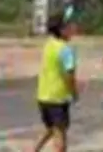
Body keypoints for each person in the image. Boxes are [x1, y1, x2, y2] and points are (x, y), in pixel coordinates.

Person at [33, 10, 80, 152]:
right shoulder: (66, 50)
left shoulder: (49, 44)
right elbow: (69, 76)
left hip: (43, 96)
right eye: (70, 25)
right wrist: (74, 92)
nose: (73, 27)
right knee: (60, 140)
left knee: (51, 128)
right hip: (57, 98)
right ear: (62, 30)